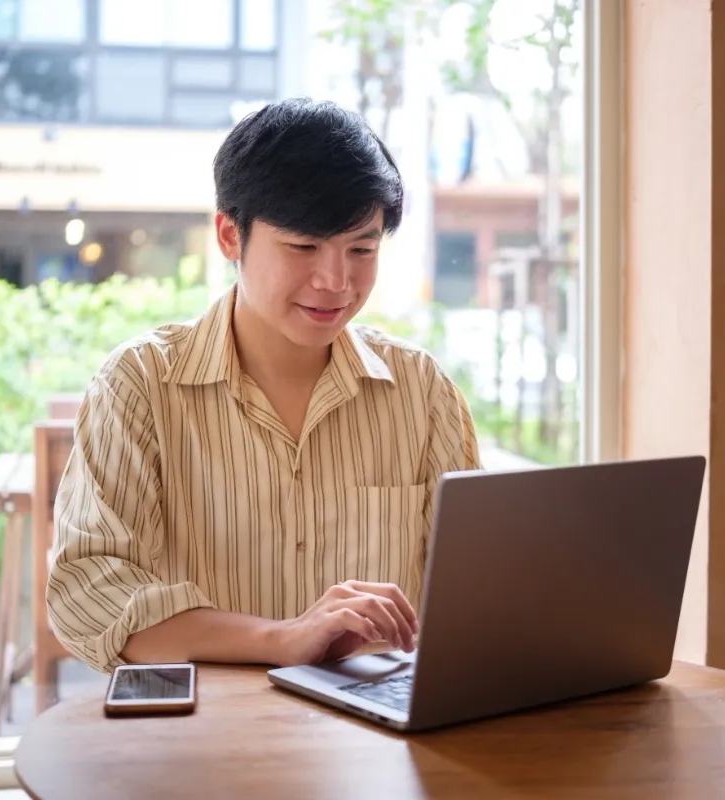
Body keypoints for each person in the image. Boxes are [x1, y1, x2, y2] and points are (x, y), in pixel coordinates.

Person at [47, 99, 481, 674]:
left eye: (362, 249)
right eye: (303, 247)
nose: (336, 281)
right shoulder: (140, 385)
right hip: (211, 723)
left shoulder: (422, 392)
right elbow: (87, 593)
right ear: (230, 236)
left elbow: (476, 591)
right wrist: (284, 639)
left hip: (374, 726)